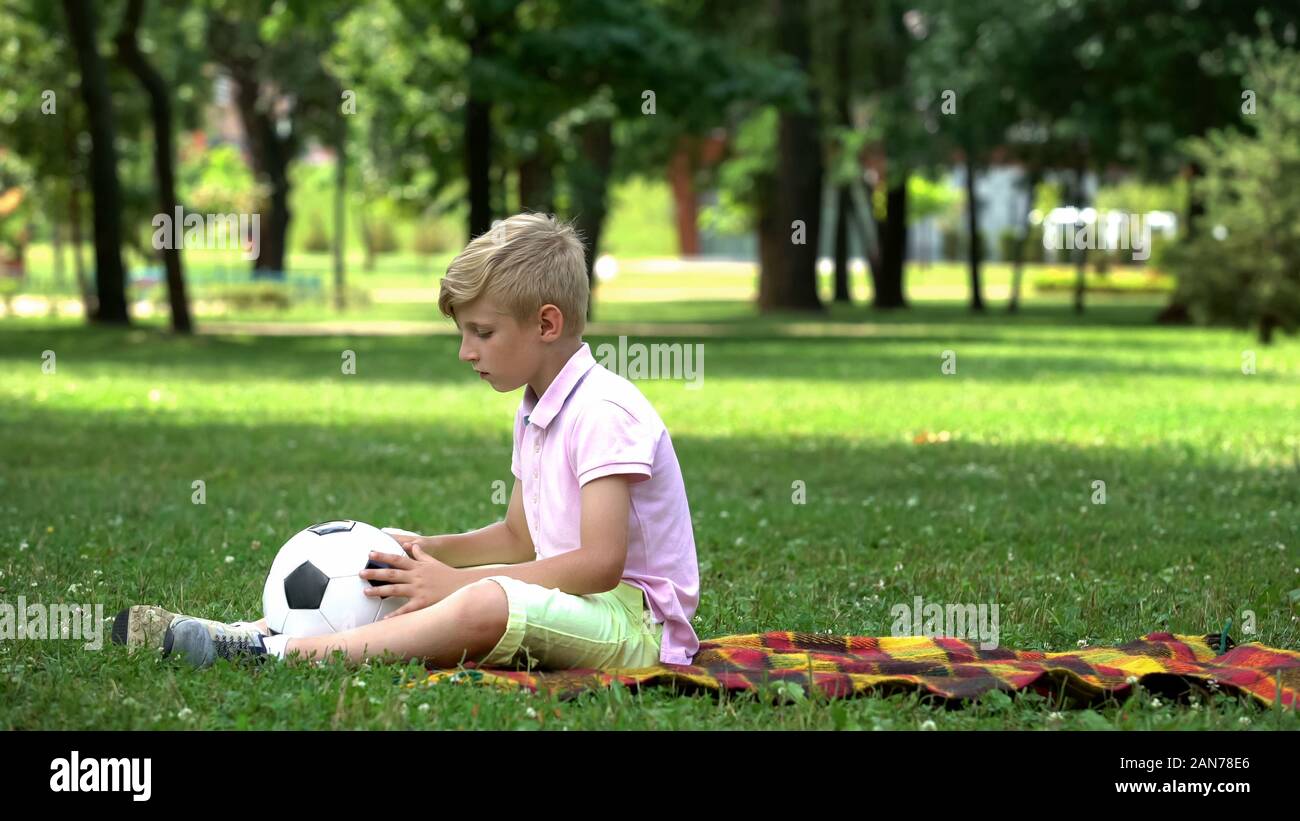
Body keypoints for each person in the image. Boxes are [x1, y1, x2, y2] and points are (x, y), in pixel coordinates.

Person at [113, 212, 701, 672]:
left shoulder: (603, 410)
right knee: (413, 583)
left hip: (636, 626)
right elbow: (519, 537)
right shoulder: (536, 408)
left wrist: (460, 582)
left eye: (483, 332)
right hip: (576, 604)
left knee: (482, 602)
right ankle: (244, 634)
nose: (466, 352)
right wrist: (428, 551)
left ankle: (280, 656)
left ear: (546, 325)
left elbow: (601, 564)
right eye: (463, 332)